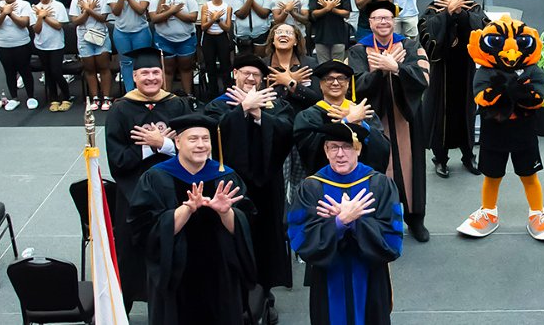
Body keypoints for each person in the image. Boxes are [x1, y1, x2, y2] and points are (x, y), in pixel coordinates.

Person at [127, 113, 255, 325]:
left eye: (205, 139)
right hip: (175, 277)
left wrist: (226, 212)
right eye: (193, 139)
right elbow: (143, 231)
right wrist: (186, 210)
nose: (201, 145)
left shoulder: (225, 176)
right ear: (177, 142)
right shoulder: (156, 177)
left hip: (219, 274)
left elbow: (246, 227)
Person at [455, 17, 544, 241]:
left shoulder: (532, 70)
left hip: (524, 131)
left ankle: (537, 213)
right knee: (491, 175)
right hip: (494, 131)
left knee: (529, 174)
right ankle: (488, 211)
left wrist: (519, 93)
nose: (511, 54)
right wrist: (507, 91)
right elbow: (481, 97)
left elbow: (538, 98)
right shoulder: (484, 71)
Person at [287, 121, 404, 325]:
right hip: (327, 278)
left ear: (358, 149)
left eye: (347, 147)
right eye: (333, 147)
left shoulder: (380, 184)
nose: (340, 154)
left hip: (371, 278)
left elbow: (393, 243)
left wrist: (356, 223)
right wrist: (339, 222)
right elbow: (301, 241)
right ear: (326, 150)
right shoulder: (312, 188)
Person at [105, 47, 194, 307]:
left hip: (174, 193)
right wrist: (150, 145)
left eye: (156, 72)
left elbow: (193, 149)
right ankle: (125, 306)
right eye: (145, 73)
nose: (151, 78)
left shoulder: (177, 104)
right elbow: (117, 160)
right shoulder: (120, 110)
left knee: (174, 246)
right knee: (132, 252)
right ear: (134, 77)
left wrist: (165, 144)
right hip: (133, 195)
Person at [210, 55, 295, 324]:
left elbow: (287, 132)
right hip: (230, 188)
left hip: (267, 186)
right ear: (234, 73)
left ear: (263, 80)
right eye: (245, 73)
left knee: (266, 239)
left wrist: (259, 116)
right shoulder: (217, 105)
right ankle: (234, 294)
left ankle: (265, 295)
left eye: (256, 75)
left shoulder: (275, 104)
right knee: (233, 239)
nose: (250, 78)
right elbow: (210, 134)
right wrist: (241, 110)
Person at [347, 0, 431, 242]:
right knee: (378, 169)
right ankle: (379, 221)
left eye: (387, 18)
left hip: (407, 118)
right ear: (370, 23)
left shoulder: (410, 45)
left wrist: (396, 68)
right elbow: (354, 85)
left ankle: (415, 219)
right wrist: (378, 72)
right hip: (374, 120)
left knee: (411, 168)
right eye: (377, 18)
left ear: (393, 21)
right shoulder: (358, 51)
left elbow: (423, 77)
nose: (383, 22)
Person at [419, 0, 486, 178]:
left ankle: (468, 156)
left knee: (466, 111)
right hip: (442, 71)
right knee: (441, 114)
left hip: (466, 70)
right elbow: (425, 33)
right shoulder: (433, 9)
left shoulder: (473, 8)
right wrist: (447, 13)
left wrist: (461, 13)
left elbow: (483, 29)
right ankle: (440, 158)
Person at [292, 60, 391, 175]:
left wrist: (361, 125)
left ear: (348, 83)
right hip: (324, 183)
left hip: (361, 180)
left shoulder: (363, 113)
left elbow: (383, 148)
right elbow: (309, 150)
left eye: (341, 78)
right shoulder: (308, 116)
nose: (335, 83)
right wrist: (347, 121)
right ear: (320, 84)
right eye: (329, 79)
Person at [0, 0, 35, 109]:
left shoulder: (24, 4)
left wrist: (10, 13)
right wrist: (4, 12)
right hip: (2, 45)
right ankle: (14, 97)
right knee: (9, 72)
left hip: (22, 44)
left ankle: (31, 97)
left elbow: (24, 23)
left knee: (25, 70)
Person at [30, 0, 71, 112]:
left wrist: (45, 16)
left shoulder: (58, 6)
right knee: (48, 73)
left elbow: (58, 25)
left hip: (56, 45)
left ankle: (66, 97)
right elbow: (36, 29)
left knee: (56, 72)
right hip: (42, 45)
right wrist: (39, 18)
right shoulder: (35, 8)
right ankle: (53, 98)